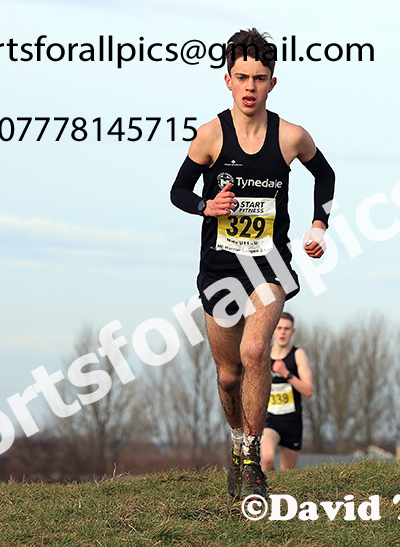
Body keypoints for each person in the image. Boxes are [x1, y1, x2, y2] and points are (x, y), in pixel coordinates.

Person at [170, 28, 335, 500]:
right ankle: (239, 444)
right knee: (228, 374)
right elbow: (177, 191)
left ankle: (251, 464)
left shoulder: (290, 136)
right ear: (227, 80)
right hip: (220, 271)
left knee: (255, 351)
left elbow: (324, 173)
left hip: (270, 268)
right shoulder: (209, 137)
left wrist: (318, 225)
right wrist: (207, 206)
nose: (249, 87)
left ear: (272, 83)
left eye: (259, 78)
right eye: (241, 77)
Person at [262, 312, 313, 471]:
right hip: (269, 420)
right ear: (272, 330)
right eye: (279, 328)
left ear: (293, 331)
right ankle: (263, 491)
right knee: (268, 457)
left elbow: (308, 390)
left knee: (287, 475)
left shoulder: (298, 355)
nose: (283, 332)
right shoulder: (263, 355)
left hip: (292, 422)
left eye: (287, 328)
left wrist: (286, 373)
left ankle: (278, 493)